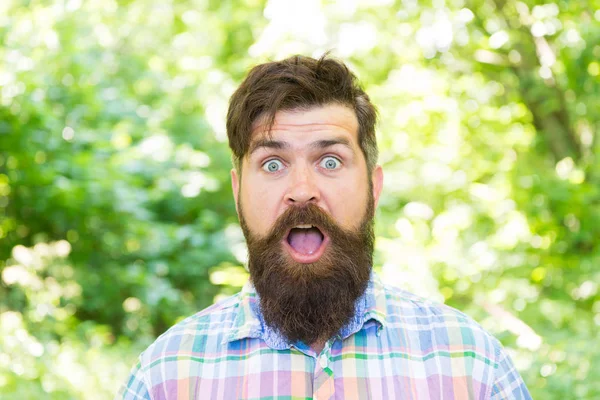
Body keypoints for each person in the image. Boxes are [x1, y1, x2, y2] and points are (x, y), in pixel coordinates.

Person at [117, 55, 531, 399]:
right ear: (238, 190)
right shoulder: (165, 377)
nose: (302, 191)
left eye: (329, 161)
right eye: (273, 164)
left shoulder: (472, 365)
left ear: (373, 186)